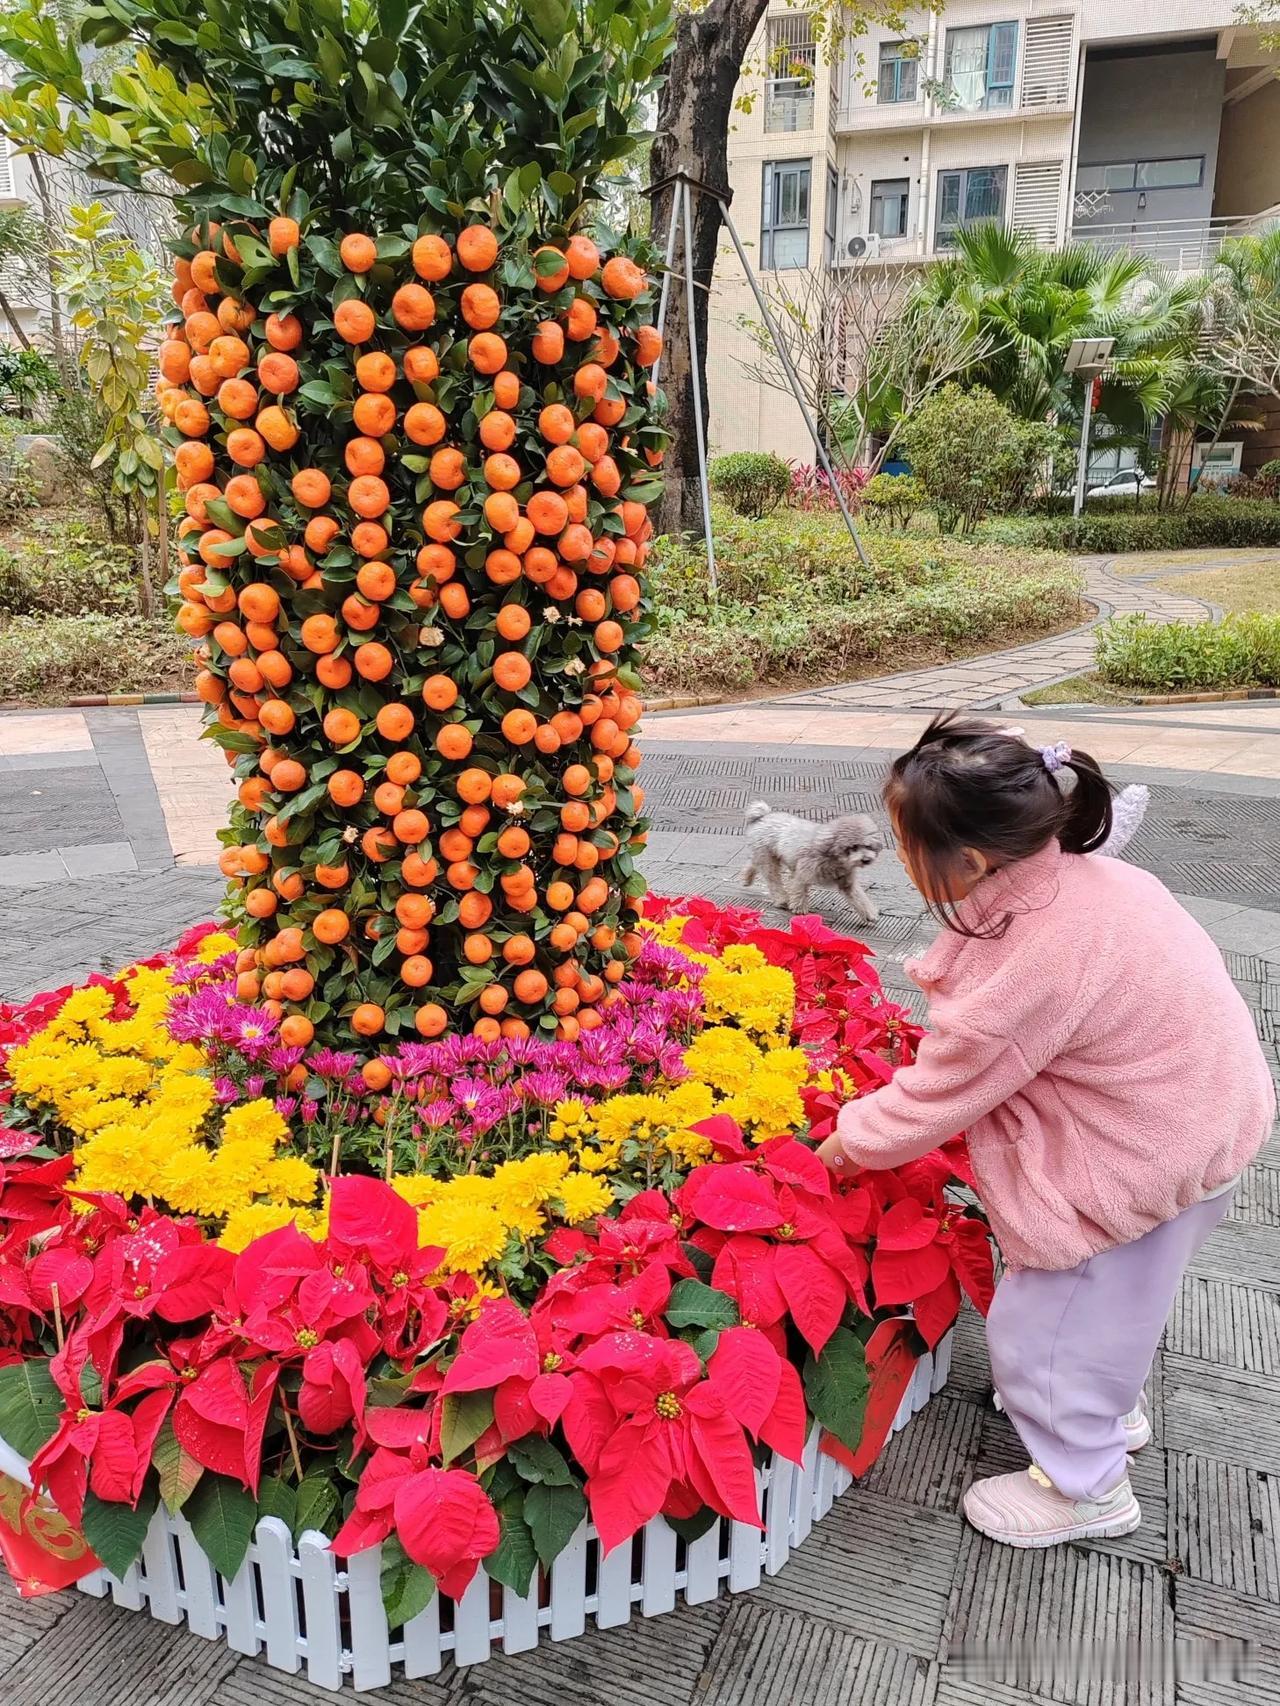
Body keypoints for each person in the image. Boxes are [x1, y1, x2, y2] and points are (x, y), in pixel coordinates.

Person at [815, 714, 1274, 1548]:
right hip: (1207, 1118)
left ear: (975, 861)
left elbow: (941, 1091)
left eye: (905, 843)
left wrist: (848, 1142)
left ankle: (1088, 1488)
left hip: (1137, 1153)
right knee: (1122, 1299)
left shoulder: (1030, 957)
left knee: (1043, 1328)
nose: (903, 859)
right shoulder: (1088, 878)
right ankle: (1102, 1403)